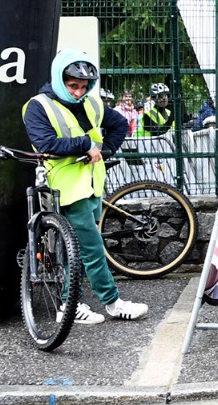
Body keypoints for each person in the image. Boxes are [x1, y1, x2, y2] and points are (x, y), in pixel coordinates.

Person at [21, 50, 148, 324]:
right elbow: (45, 143)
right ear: (59, 80)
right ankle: (112, 302)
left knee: (73, 250)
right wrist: (87, 145)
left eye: (84, 87)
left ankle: (68, 305)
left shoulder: (92, 104)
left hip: (92, 185)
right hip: (66, 188)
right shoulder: (38, 106)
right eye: (73, 86)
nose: (79, 92)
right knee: (91, 247)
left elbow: (119, 125)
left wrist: (107, 149)